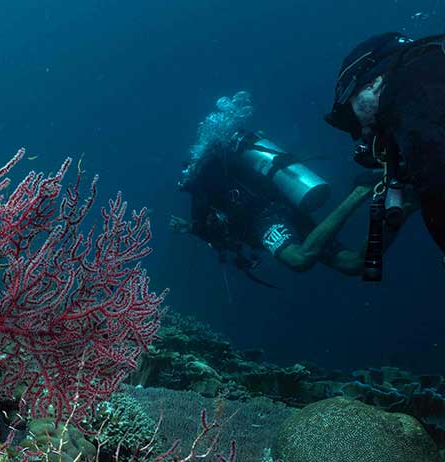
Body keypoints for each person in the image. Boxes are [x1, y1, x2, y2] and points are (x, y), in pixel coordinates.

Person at [173, 92, 373, 280]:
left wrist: (191, 227)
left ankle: (360, 192)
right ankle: (398, 201)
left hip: (265, 220)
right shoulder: (225, 161)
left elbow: (202, 225)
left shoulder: (199, 180)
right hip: (286, 204)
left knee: (299, 259)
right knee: (353, 263)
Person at [324, 32, 445, 279]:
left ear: (374, 83)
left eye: (352, 117)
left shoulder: (407, 88)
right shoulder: (432, 64)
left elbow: (438, 182)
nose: (362, 134)